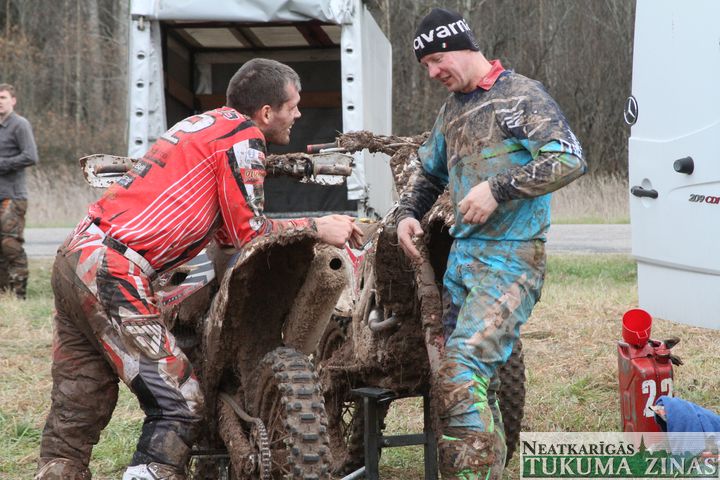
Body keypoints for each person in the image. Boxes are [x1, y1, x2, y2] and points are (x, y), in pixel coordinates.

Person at [35, 58, 362, 480]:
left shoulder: (202, 125)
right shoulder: (243, 137)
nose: (299, 114)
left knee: (80, 395)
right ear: (266, 112)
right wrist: (317, 226)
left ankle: (58, 470)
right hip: (113, 268)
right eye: (293, 106)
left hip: (77, 253)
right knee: (181, 401)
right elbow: (249, 232)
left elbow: (225, 235)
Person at [397, 9, 587, 480]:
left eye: (436, 60)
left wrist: (498, 189)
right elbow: (429, 173)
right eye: (425, 66)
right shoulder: (451, 111)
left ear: (462, 47)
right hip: (462, 264)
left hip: (512, 258)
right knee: (473, 382)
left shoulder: (520, 96)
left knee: (460, 372)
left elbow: (568, 158)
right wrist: (406, 214)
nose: (432, 73)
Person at [0, 83, 38, 299]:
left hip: (13, 197)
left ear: (13, 100)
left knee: (10, 245)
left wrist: (2, 163)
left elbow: (31, 156)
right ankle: (4, 294)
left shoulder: (19, 125)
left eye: (3, 97)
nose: (0, 101)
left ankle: (19, 294)